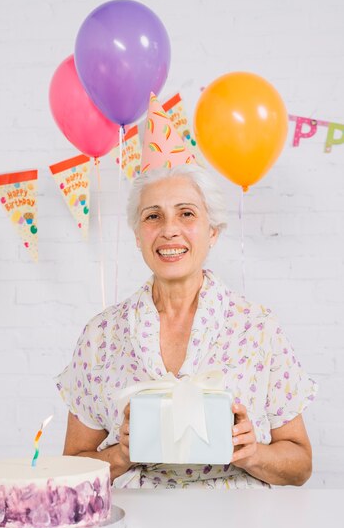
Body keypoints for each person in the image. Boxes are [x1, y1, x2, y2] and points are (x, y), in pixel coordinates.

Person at [56, 162, 318, 489]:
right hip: (136, 524)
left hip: (238, 524)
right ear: (138, 235)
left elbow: (301, 466)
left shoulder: (258, 327)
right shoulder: (101, 335)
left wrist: (252, 453)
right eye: (153, 216)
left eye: (187, 214)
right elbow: (69, 469)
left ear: (213, 231)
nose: (170, 230)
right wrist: (120, 455)